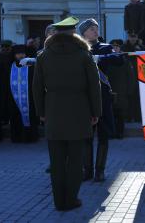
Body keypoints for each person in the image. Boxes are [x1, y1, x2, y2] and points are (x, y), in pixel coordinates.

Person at [33, 17, 102, 211]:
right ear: (74, 34)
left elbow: (37, 88)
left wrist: (41, 112)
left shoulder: (43, 56)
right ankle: (71, 199)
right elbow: (93, 87)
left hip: (53, 111)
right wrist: (96, 111)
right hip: (80, 111)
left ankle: (58, 201)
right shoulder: (83, 55)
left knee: (56, 162)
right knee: (75, 160)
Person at [79, 18, 123, 181]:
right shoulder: (78, 48)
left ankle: (100, 171)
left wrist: (101, 58)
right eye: (91, 29)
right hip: (84, 96)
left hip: (102, 95)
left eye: (96, 28)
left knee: (103, 135)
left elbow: (120, 60)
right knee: (86, 135)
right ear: (83, 32)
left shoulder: (105, 47)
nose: (95, 31)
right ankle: (87, 170)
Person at [8, 44, 39, 143]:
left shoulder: (31, 66)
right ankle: (17, 137)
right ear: (14, 55)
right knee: (16, 117)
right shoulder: (10, 67)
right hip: (14, 99)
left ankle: (31, 137)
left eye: (22, 53)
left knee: (30, 116)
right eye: (18, 54)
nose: (20, 55)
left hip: (29, 98)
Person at [108, 39, 135, 139]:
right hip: (110, 91)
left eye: (117, 46)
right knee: (110, 113)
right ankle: (111, 132)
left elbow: (130, 77)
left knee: (120, 114)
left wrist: (129, 91)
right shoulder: (107, 60)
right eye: (113, 46)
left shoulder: (125, 61)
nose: (115, 48)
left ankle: (120, 133)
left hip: (122, 91)